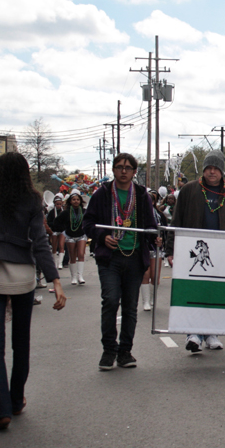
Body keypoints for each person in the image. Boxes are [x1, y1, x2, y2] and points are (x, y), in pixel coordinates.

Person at [0, 153, 67, 430]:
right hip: (24, 277)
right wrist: (54, 280)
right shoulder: (32, 200)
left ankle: (0, 410)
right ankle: (16, 399)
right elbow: (40, 243)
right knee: (21, 343)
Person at [167, 149, 225, 353]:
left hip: (223, 253)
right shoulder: (188, 190)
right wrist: (171, 250)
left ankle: (212, 333)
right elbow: (175, 221)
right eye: (208, 168)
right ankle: (193, 334)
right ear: (203, 170)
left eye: (216, 168)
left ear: (222, 171)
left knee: (217, 293)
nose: (212, 172)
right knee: (195, 291)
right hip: (193, 252)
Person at [83, 153, 158, 371]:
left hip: (134, 257)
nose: (123, 171)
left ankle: (125, 351)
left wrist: (156, 237)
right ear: (113, 170)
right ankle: (109, 350)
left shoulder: (142, 195)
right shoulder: (103, 193)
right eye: (119, 167)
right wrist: (101, 236)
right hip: (110, 258)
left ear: (135, 172)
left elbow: (151, 225)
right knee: (110, 300)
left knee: (130, 307)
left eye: (128, 167)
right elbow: (89, 222)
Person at [140, 190, 168, 312]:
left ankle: (152, 299)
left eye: (151, 199)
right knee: (145, 274)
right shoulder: (139, 214)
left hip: (156, 248)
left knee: (155, 276)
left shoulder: (160, 215)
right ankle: (145, 301)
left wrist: (162, 241)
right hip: (143, 247)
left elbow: (164, 230)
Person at [57, 190, 87, 285]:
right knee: (72, 256)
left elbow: (90, 221)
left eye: (78, 199)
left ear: (80, 201)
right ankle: (73, 277)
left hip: (81, 235)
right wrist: (64, 229)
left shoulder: (84, 211)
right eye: (74, 199)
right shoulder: (66, 212)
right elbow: (56, 222)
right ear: (70, 201)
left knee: (81, 254)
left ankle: (80, 276)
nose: (76, 201)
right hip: (70, 236)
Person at [46, 195, 66, 269]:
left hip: (62, 231)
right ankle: (54, 262)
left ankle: (60, 263)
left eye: (60, 204)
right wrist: (54, 224)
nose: (58, 205)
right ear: (54, 204)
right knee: (54, 247)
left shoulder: (63, 212)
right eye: (57, 204)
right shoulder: (51, 212)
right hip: (54, 230)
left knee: (61, 246)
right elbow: (49, 221)